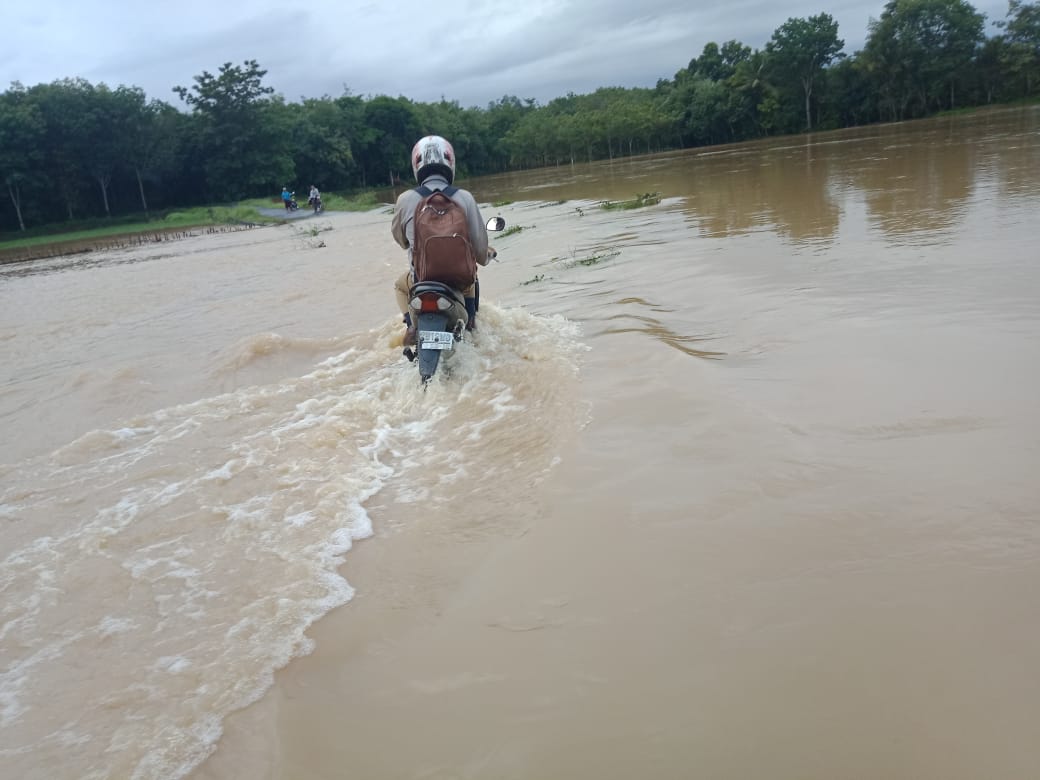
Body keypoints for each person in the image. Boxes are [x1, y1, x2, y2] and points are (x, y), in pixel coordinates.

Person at [391, 135, 489, 346]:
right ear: (450, 163)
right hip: (459, 284)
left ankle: (410, 326)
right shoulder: (465, 198)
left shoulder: (405, 199)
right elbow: (480, 253)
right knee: (472, 279)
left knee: (400, 286)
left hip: (421, 281)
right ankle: (471, 324)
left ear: (416, 165)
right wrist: (486, 256)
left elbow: (402, 241)